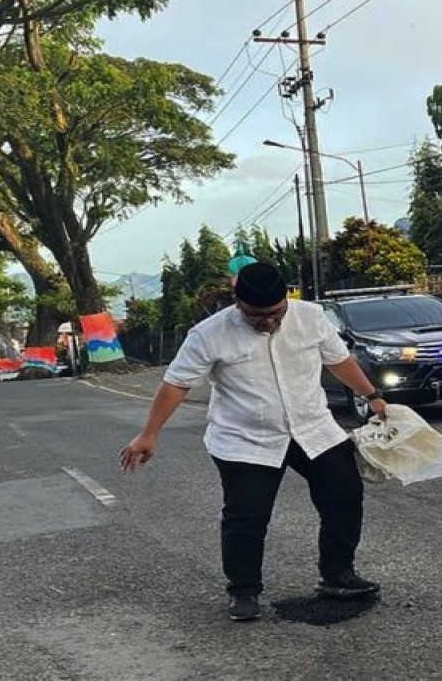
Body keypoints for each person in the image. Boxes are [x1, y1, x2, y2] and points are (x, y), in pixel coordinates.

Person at [119, 262, 387, 622]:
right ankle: (243, 591)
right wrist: (149, 432)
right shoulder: (208, 334)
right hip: (246, 438)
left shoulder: (311, 317)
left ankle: (337, 575)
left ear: (286, 299)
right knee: (246, 517)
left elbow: (339, 361)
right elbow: (177, 384)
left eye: (276, 313)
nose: (268, 322)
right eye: (255, 315)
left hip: (313, 428)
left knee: (344, 496)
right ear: (237, 301)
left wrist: (373, 396)